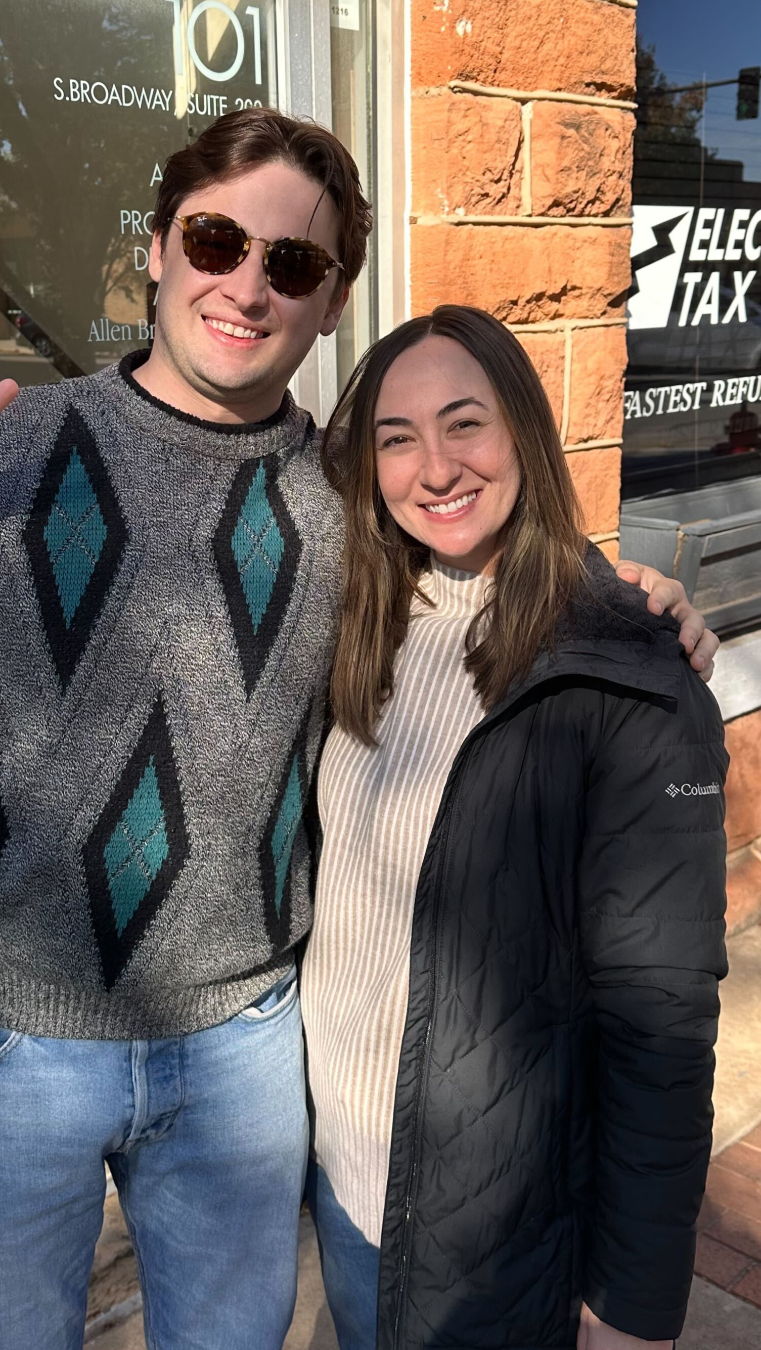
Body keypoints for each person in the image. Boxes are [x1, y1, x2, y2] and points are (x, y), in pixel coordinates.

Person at [0, 111, 714, 1350]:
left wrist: (639, 608)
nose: (246, 285)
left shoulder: (350, 500)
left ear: (332, 302)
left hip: (241, 1053)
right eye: (217, 239)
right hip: (1, 1051)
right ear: (159, 249)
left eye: (294, 263)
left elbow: (491, 545)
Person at [301, 305, 728, 1350]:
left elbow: (661, 1020)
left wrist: (635, 1303)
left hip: (483, 1230)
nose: (435, 467)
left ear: (526, 436)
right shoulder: (364, 620)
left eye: (466, 424)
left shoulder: (630, 676)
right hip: (340, 1186)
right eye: (396, 439)